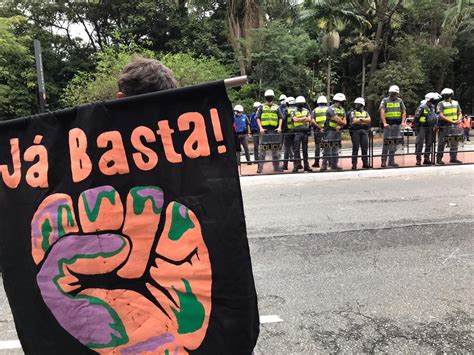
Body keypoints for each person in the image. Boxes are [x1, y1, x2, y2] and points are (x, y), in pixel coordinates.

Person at [256, 89, 284, 173]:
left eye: (270, 97)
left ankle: (276, 167)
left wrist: (279, 127)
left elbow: (281, 118)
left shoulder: (277, 107)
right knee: (262, 150)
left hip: (274, 131)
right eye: (268, 97)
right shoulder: (261, 106)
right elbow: (257, 117)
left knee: (275, 150)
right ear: (265, 98)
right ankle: (260, 168)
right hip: (264, 131)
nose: (269, 98)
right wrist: (260, 128)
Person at [379, 85, 407, 168]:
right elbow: (382, 111)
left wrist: (403, 122)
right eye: (392, 93)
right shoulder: (385, 100)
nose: (393, 95)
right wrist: (384, 123)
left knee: (394, 143)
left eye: (394, 93)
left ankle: (391, 161)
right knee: (386, 143)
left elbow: (404, 112)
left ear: (397, 93)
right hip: (388, 125)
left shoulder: (400, 101)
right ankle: (383, 161)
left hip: (397, 125)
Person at [436, 88, 463, 164]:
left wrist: (459, 119)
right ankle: (439, 159)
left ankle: (453, 158)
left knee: (454, 141)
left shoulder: (456, 103)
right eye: (445, 95)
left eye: (447, 95)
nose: (446, 96)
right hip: (445, 125)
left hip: (454, 125)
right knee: (442, 142)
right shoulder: (440, 103)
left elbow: (460, 112)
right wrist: (451, 121)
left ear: (451, 95)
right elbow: (440, 115)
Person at [321, 93, 346, 171]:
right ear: (338, 101)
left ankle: (334, 165)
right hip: (329, 131)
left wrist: (341, 126)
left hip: (337, 132)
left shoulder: (342, 109)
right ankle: (324, 166)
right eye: (342, 101)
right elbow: (336, 118)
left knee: (335, 148)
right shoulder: (330, 109)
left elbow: (345, 120)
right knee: (327, 148)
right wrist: (343, 123)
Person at [413, 92, 439, 165]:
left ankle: (426, 158)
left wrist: (435, 125)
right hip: (422, 127)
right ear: (429, 100)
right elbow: (416, 117)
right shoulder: (422, 107)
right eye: (433, 100)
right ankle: (418, 159)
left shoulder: (433, 107)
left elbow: (434, 117)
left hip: (430, 127)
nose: (434, 101)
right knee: (420, 143)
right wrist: (415, 126)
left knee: (429, 143)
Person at [348, 97, 371, 169]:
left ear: (362, 105)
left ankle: (365, 163)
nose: (356, 106)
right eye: (356, 104)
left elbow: (369, 120)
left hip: (364, 131)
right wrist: (364, 120)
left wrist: (360, 119)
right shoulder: (353, 112)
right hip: (355, 131)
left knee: (365, 148)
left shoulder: (365, 112)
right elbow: (354, 120)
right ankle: (354, 164)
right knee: (355, 148)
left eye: (358, 104)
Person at [291, 96, 312, 172]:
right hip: (297, 133)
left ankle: (306, 166)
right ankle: (296, 166)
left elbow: (309, 119)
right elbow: (295, 120)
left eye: (301, 103)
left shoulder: (306, 110)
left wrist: (299, 119)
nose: (300, 104)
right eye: (299, 103)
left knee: (305, 150)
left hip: (305, 132)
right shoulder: (293, 111)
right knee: (296, 150)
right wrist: (304, 118)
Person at [311, 96, 328, 168]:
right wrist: (325, 128)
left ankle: (316, 162)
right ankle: (327, 162)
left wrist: (319, 127)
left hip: (318, 131)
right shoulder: (328, 109)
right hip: (327, 130)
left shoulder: (315, 110)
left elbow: (312, 121)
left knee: (317, 146)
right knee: (327, 146)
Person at [282, 96, 296, 171]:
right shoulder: (297, 110)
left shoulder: (286, 110)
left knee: (287, 149)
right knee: (296, 149)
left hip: (288, 131)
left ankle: (285, 165)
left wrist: (282, 129)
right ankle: (296, 165)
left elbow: (283, 120)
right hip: (296, 131)